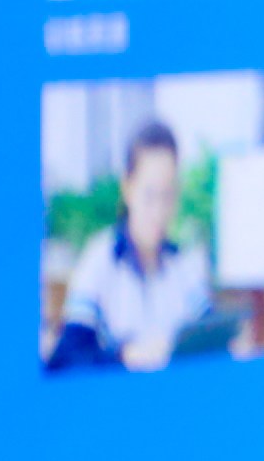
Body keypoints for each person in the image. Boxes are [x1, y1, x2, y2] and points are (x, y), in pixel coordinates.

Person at [48, 122, 213, 371]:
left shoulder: (182, 266)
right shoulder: (100, 261)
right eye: (150, 196)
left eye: (168, 196)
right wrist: (123, 357)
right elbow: (67, 358)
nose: (159, 211)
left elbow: (210, 335)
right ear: (128, 189)